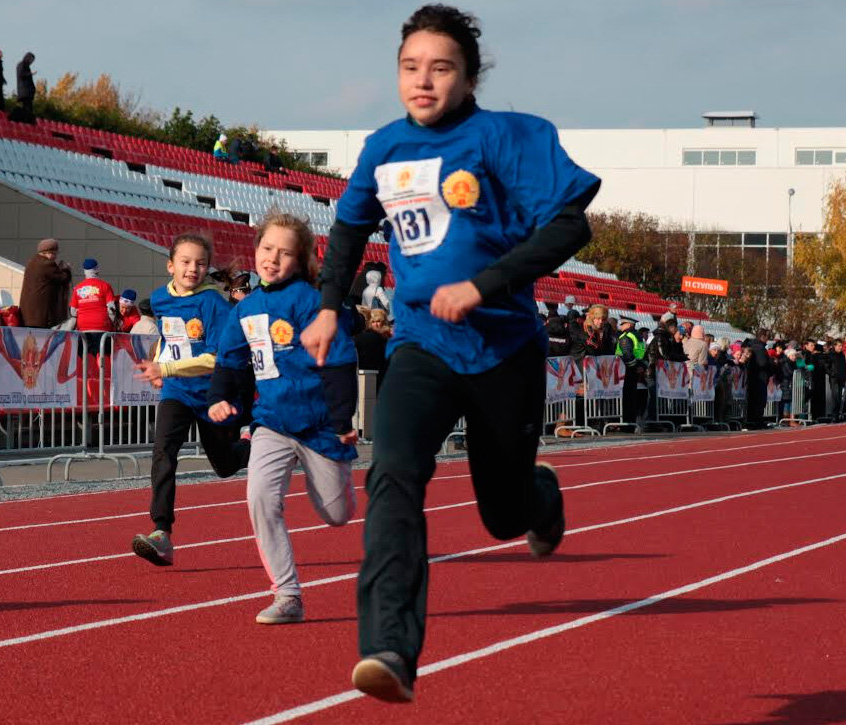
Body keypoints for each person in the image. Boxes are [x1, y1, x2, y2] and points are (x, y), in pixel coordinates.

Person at [298, 4, 599, 703]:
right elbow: (346, 235)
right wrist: (323, 309)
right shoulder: (383, 148)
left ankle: (540, 496)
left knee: (503, 514)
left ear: (469, 77)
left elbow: (570, 222)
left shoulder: (503, 136)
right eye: (410, 68)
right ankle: (390, 648)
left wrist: (484, 284)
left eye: (440, 68)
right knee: (393, 472)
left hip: (502, 350)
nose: (422, 82)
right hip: (421, 345)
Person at [207, 213, 359, 624]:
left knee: (337, 515)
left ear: (301, 259)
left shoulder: (310, 302)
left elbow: (341, 361)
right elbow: (230, 361)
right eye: (266, 248)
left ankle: (333, 478)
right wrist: (220, 398)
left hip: (319, 424)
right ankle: (287, 594)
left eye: (285, 252)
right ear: (255, 250)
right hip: (271, 422)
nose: (272, 258)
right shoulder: (247, 308)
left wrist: (343, 420)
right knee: (259, 499)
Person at [129, 233, 252, 566]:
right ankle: (161, 532)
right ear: (170, 265)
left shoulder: (213, 303)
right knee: (163, 451)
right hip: (178, 392)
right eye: (185, 262)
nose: (192, 269)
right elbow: (170, 338)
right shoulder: (159, 299)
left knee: (225, 466)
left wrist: (165, 367)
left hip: (212, 395)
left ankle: (253, 445)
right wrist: (158, 365)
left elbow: (216, 358)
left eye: (200, 263)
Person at [18, 238, 72, 328]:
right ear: (47, 252)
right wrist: (67, 270)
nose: (55, 257)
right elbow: (63, 278)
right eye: (54, 254)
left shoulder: (32, 262)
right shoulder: (46, 264)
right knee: (42, 340)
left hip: (28, 315)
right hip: (40, 315)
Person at [69, 258, 117, 350]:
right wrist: (111, 322)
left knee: (85, 357)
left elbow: (73, 311)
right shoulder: (105, 285)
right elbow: (111, 308)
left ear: (85, 271)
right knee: (102, 357)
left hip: (83, 327)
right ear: (97, 269)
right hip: (102, 326)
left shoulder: (78, 288)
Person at [616, 317, 645, 431]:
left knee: (626, 399)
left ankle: (626, 425)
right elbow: (643, 354)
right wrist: (641, 366)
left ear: (628, 325)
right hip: (635, 370)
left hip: (626, 370)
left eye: (622, 324)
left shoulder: (625, 336)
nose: (621, 326)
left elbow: (627, 354)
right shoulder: (639, 336)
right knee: (632, 398)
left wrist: (634, 366)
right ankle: (631, 424)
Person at [744, 330, 772, 429]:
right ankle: (756, 420)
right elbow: (762, 363)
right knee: (759, 400)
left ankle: (754, 420)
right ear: (763, 336)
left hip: (755, 377)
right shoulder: (759, 348)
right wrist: (771, 363)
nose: (768, 339)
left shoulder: (754, 346)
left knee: (755, 400)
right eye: (767, 337)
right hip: (759, 378)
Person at [14, 52, 37, 123]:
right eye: (31, 60)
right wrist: (30, 74)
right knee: (27, 107)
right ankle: (26, 121)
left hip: (27, 91)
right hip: (24, 91)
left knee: (28, 107)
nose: (31, 62)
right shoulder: (21, 65)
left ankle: (27, 120)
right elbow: (21, 75)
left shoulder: (25, 66)